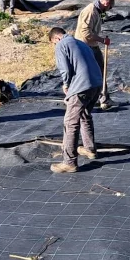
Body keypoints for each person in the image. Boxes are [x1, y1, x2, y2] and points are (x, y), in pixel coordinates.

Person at [48, 26, 102, 173]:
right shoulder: (81, 43)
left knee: (70, 123)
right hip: (96, 84)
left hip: (82, 87)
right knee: (84, 115)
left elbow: (65, 69)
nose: (55, 46)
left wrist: (66, 85)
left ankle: (69, 162)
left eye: (53, 43)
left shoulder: (61, 44)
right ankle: (89, 149)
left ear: (56, 38)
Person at [74, 0, 115, 110]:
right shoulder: (90, 11)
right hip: (85, 46)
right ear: (106, 4)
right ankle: (96, 98)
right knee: (93, 72)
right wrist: (102, 40)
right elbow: (85, 32)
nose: (108, 10)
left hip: (91, 45)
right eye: (110, 8)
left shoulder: (96, 11)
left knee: (99, 70)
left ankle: (103, 98)